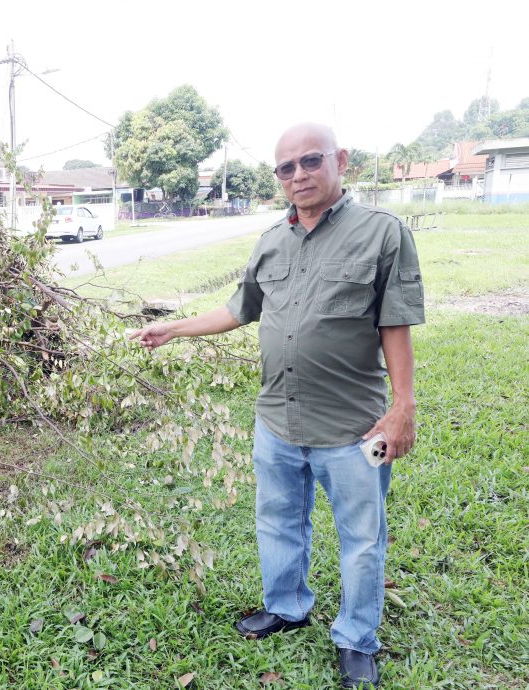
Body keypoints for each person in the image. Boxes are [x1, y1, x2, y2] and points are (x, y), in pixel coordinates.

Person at [130, 123, 425, 689]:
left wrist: (403, 406)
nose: (298, 176)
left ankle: (356, 638)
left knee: (362, 538)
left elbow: (396, 324)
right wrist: (175, 329)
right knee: (277, 521)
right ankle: (287, 606)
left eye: (310, 162)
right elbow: (241, 308)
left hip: (353, 427)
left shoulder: (382, 235)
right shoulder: (271, 240)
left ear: (341, 161)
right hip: (277, 421)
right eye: (285, 168)